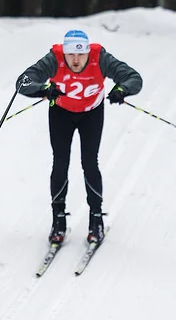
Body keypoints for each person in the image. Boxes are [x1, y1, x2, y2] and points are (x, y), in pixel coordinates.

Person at [15, 29, 143, 245]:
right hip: (61, 112)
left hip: (91, 113)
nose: (75, 60)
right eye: (71, 55)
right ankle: (58, 219)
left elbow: (133, 78)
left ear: (87, 53)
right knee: (60, 163)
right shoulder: (54, 58)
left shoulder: (100, 57)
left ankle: (96, 219)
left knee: (90, 163)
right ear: (64, 53)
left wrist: (122, 90)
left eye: (80, 55)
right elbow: (23, 82)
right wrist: (43, 89)